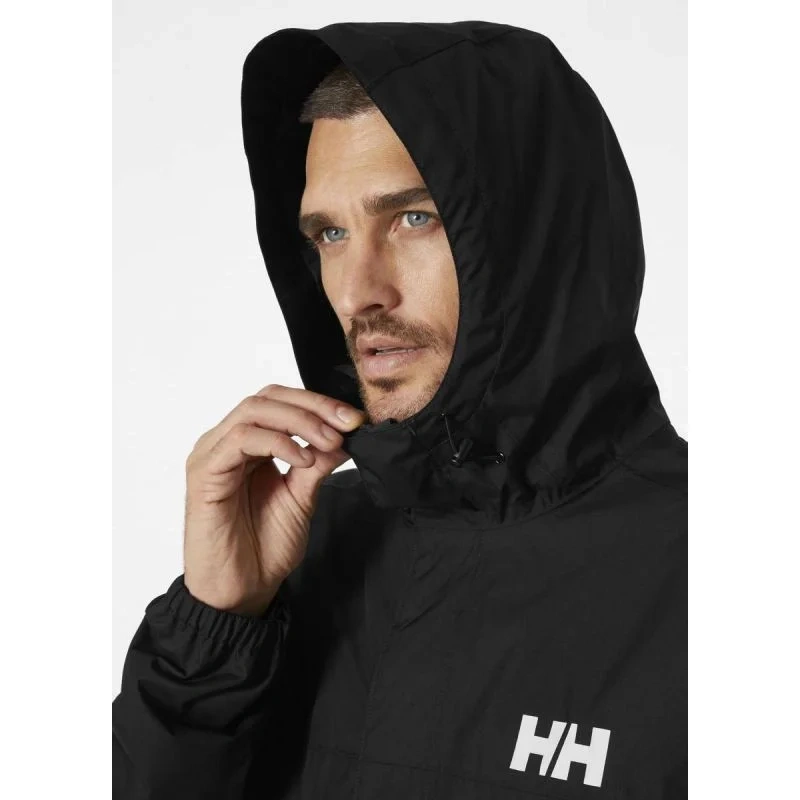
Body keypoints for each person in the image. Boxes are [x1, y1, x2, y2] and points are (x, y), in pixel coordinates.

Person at [113, 20, 687, 800]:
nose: (357, 293)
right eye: (330, 234)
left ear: (537, 233)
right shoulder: (303, 548)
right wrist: (216, 630)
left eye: (414, 218)